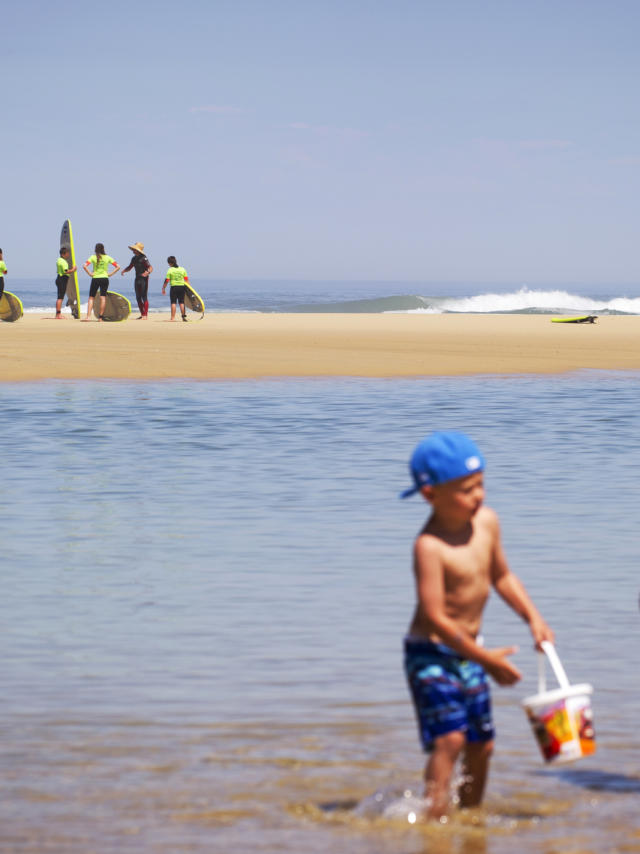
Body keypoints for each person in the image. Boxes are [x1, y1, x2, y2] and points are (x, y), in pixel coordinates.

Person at [400, 431, 554, 820]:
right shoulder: (429, 546)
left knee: (481, 744)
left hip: (473, 650)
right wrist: (485, 660)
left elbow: (502, 576)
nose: (478, 496)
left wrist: (533, 618)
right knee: (450, 739)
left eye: (481, 485)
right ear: (430, 494)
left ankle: (470, 819)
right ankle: (434, 820)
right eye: (466, 489)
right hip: (431, 653)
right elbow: (436, 616)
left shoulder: (487, 523)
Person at [83, 243, 120, 321]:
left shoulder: (93, 257)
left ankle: (88, 317)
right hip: (104, 278)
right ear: (103, 249)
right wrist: (110, 274)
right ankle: (100, 318)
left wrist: (90, 273)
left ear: (95, 249)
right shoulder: (108, 257)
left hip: (95, 278)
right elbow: (118, 266)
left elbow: (84, 265)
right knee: (103, 297)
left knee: (91, 298)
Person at [121, 241, 153, 318]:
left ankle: (145, 315)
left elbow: (151, 267)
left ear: (138, 250)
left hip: (144, 279)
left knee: (144, 296)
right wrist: (124, 270)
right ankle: (142, 314)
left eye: (134, 249)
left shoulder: (144, 258)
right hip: (137, 279)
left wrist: (147, 272)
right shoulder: (134, 258)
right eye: (133, 249)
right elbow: (130, 267)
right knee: (138, 297)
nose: (133, 251)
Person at [161, 256, 189, 322]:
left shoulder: (170, 270)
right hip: (182, 287)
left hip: (174, 287)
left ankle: (173, 318)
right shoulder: (182, 269)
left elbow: (167, 280)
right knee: (181, 302)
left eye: (168, 263)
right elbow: (186, 280)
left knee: (173, 302)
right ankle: (183, 317)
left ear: (170, 263)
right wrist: (188, 289)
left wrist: (163, 288)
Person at [55, 247, 77, 319]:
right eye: (67, 253)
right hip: (62, 280)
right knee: (60, 298)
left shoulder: (59, 260)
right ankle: (58, 315)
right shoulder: (63, 261)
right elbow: (66, 271)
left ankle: (57, 314)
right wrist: (73, 269)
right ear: (63, 254)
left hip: (60, 279)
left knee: (60, 297)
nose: (68, 255)